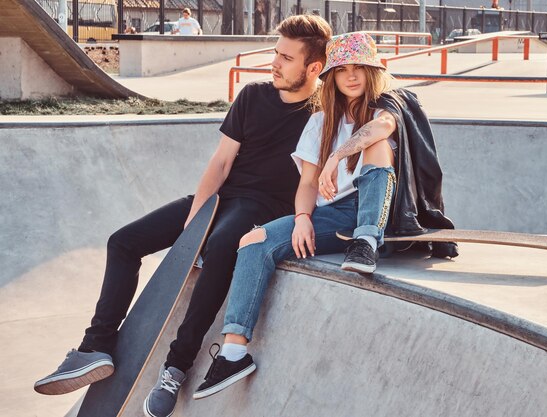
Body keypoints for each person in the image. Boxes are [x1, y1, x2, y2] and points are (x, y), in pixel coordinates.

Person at [33, 14, 331, 416]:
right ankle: (97, 346)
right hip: (222, 197)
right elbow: (221, 162)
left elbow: (379, 108)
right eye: (275, 53)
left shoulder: (325, 112)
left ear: (314, 67)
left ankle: (177, 366)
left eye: (286, 58)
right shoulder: (253, 95)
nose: (274, 63)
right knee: (123, 242)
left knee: (225, 244)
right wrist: (195, 220)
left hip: (264, 206)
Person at [189, 32, 459, 399]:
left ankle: (366, 241)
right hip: (330, 215)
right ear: (330, 76)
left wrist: (338, 154)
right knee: (252, 241)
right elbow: (306, 185)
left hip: (377, 210)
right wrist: (302, 217)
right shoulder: (319, 122)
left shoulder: (389, 107)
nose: (351, 77)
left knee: (376, 146)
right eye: (342, 70)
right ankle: (234, 352)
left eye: (359, 69)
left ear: (371, 72)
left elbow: (381, 130)